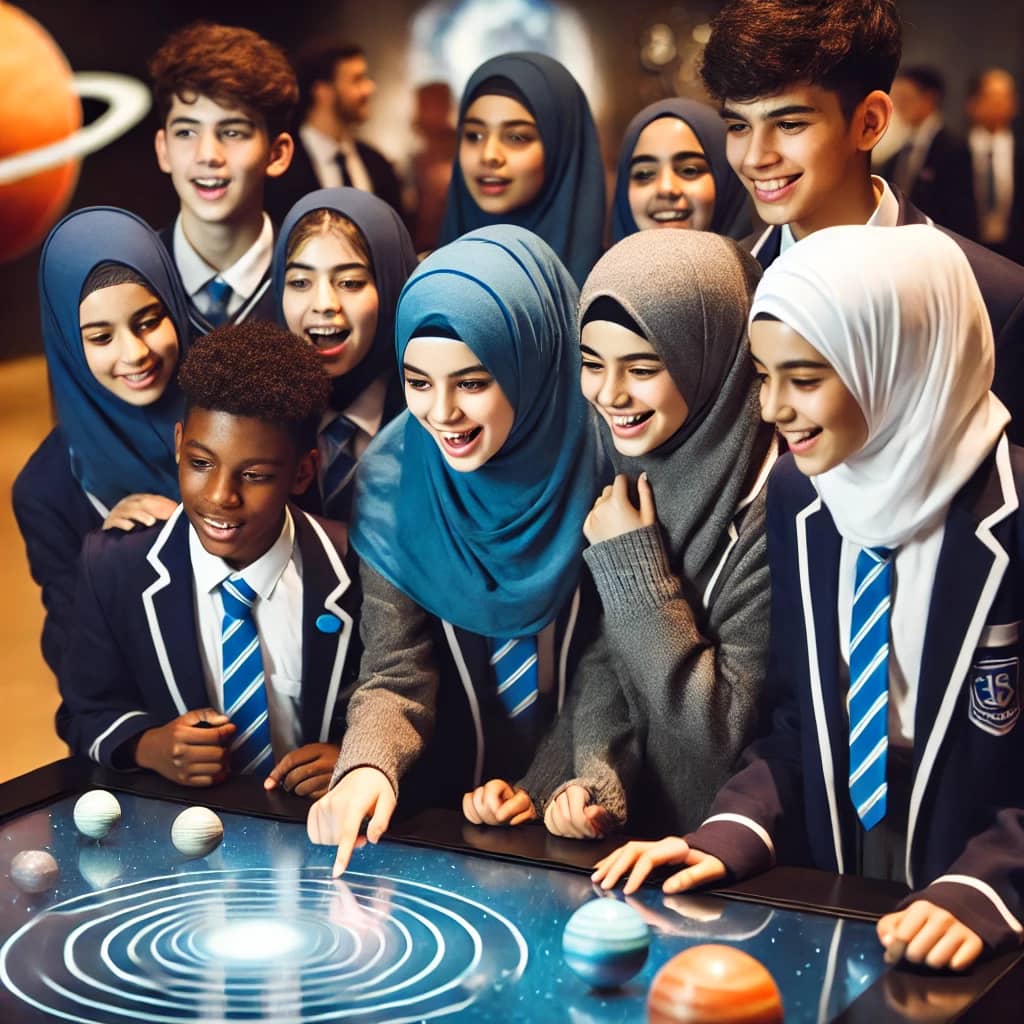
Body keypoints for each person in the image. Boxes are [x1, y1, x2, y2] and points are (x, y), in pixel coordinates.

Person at [593, 224, 1024, 974]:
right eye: (763, 376)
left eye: (806, 377)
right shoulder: (800, 496)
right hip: (843, 885)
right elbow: (801, 721)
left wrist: (986, 888)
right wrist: (725, 832)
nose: (771, 409)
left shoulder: (1014, 513)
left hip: (984, 903)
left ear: (900, 361)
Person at [307, 225, 600, 874]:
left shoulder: (610, 467)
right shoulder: (391, 480)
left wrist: (549, 782)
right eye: (417, 382)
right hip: (450, 825)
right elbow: (395, 670)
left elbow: (617, 667)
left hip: (595, 816)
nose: (440, 413)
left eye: (472, 383)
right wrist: (368, 768)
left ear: (534, 360)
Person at [463, 230, 776, 839]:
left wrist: (633, 565)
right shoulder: (647, 459)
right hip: (639, 854)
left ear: (709, 358)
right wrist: (565, 782)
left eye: (641, 367)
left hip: (741, 863)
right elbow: (612, 659)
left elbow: (717, 742)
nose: (609, 394)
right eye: (592, 364)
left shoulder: (774, 508)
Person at [59, 322, 362, 799]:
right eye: (200, 463)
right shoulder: (115, 567)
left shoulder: (357, 568)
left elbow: (406, 702)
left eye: (256, 475)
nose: (221, 497)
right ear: (179, 443)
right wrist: (147, 744)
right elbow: (82, 711)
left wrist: (357, 758)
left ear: (303, 472)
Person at [698, 0, 1024, 442]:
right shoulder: (722, 290)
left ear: (869, 123)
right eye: (738, 127)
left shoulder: (995, 299)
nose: (755, 157)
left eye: (790, 124)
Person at [13, 206, 190, 692]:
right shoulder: (48, 489)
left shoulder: (237, 408)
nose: (134, 353)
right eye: (101, 337)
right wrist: (108, 559)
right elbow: (76, 663)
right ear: (69, 343)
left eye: (149, 321)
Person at [272, 187, 418, 520]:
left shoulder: (434, 413)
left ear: (392, 286)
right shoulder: (260, 416)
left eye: (350, 282)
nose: (324, 304)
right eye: (299, 282)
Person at [149, 22, 296, 335]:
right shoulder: (133, 278)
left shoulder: (312, 283)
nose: (208, 155)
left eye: (232, 132)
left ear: (277, 154)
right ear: (163, 150)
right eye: (186, 132)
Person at [438, 53, 605, 286]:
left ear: (561, 148)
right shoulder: (427, 279)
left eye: (517, 137)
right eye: (474, 135)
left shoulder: (611, 294)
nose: (489, 156)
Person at [266, 42, 405, 225]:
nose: (369, 88)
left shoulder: (377, 163)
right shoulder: (281, 167)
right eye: (357, 79)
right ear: (323, 91)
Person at [609, 98, 752, 242]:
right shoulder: (607, 265)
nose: (666, 188)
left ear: (728, 181)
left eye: (689, 170)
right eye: (644, 174)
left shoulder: (767, 262)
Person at [882, 67, 977, 239]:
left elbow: (961, 213)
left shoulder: (953, 149)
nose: (899, 106)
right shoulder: (897, 155)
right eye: (895, 98)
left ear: (929, 98)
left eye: (905, 98)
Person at [967, 69, 1023, 264]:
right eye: (991, 96)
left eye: (1005, 97)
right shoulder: (954, 151)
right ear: (973, 103)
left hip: (1016, 253)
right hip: (969, 250)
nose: (999, 104)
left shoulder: (1019, 151)